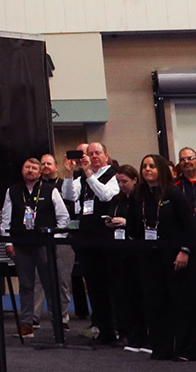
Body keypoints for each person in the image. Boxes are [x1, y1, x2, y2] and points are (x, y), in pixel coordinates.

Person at [137, 153, 196, 362]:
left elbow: (189, 226)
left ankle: (187, 350)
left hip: (176, 255)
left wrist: (185, 250)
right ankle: (162, 348)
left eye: (152, 166)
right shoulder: (141, 195)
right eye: (144, 166)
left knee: (182, 304)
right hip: (151, 256)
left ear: (162, 170)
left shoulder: (175, 194)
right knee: (156, 303)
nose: (147, 169)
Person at [0, 156, 68, 339]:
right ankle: (26, 324)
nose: (30, 171)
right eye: (27, 167)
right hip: (21, 244)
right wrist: (8, 242)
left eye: (34, 168)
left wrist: (56, 238)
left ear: (40, 172)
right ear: (22, 170)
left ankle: (58, 324)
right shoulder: (13, 191)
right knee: (26, 286)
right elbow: (6, 218)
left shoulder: (50, 190)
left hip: (44, 244)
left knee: (50, 285)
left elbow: (63, 218)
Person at [64, 141, 122, 345]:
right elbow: (69, 195)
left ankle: (118, 327)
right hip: (85, 235)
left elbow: (106, 195)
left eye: (98, 153)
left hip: (106, 236)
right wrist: (70, 174)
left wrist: (88, 174)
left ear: (106, 156)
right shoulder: (82, 177)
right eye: (90, 153)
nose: (94, 156)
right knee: (94, 285)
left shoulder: (114, 175)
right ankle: (102, 327)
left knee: (111, 283)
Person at [108, 164, 149, 352]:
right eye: (118, 182)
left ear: (134, 180)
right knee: (126, 295)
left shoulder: (141, 198)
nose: (121, 185)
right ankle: (131, 334)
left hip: (139, 251)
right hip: (120, 250)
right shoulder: (116, 199)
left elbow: (143, 222)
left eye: (124, 181)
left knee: (142, 293)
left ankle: (147, 335)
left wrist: (127, 223)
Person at [38, 153, 75, 328]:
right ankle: (34, 317)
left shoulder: (64, 185)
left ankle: (63, 315)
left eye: (49, 163)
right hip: (41, 239)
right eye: (42, 163)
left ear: (56, 167)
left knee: (62, 279)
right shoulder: (35, 188)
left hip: (62, 237)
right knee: (39, 279)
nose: (45, 166)